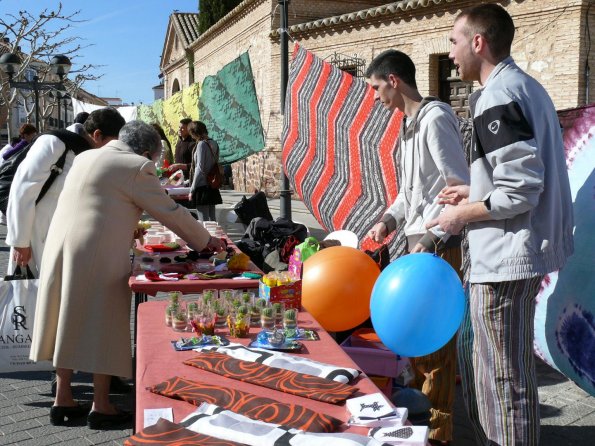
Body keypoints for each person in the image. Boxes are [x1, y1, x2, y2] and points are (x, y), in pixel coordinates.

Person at [427, 5, 574, 445]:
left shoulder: (499, 95)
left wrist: (458, 215)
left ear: (478, 42)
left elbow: (520, 191)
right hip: (511, 253)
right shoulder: (519, 87)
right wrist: (473, 192)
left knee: (504, 384)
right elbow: (517, 177)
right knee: (501, 378)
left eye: (453, 41)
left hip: (506, 258)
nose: (450, 53)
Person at [29, 121, 225, 429]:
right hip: (96, 250)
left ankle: (63, 399)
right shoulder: (135, 165)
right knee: (104, 321)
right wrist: (206, 240)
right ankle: (101, 405)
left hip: (60, 244)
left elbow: (101, 201)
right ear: (147, 152)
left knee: (63, 318)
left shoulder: (87, 156)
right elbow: (169, 211)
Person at [365, 50, 469, 444]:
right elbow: (410, 195)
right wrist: (387, 221)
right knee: (418, 351)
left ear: (393, 81)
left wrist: (429, 240)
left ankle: (439, 436)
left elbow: (457, 187)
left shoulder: (436, 118)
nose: (374, 97)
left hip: (435, 247)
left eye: (376, 87)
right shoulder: (407, 127)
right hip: (414, 245)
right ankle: (420, 431)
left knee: (437, 353)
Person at [6, 108, 125, 277]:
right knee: (32, 291)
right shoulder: (53, 142)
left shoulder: (87, 152)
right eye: (111, 144)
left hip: (62, 236)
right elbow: (23, 188)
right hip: (35, 235)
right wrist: (20, 241)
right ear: (97, 135)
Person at [188, 120, 222, 221]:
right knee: (212, 220)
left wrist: (192, 188)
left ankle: (207, 237)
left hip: (202, 186)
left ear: (194, 132)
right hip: (212, 184)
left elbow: (199, 168)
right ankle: (214, 236)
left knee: (204, 221)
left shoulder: (201, 144)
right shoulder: (214, 142)